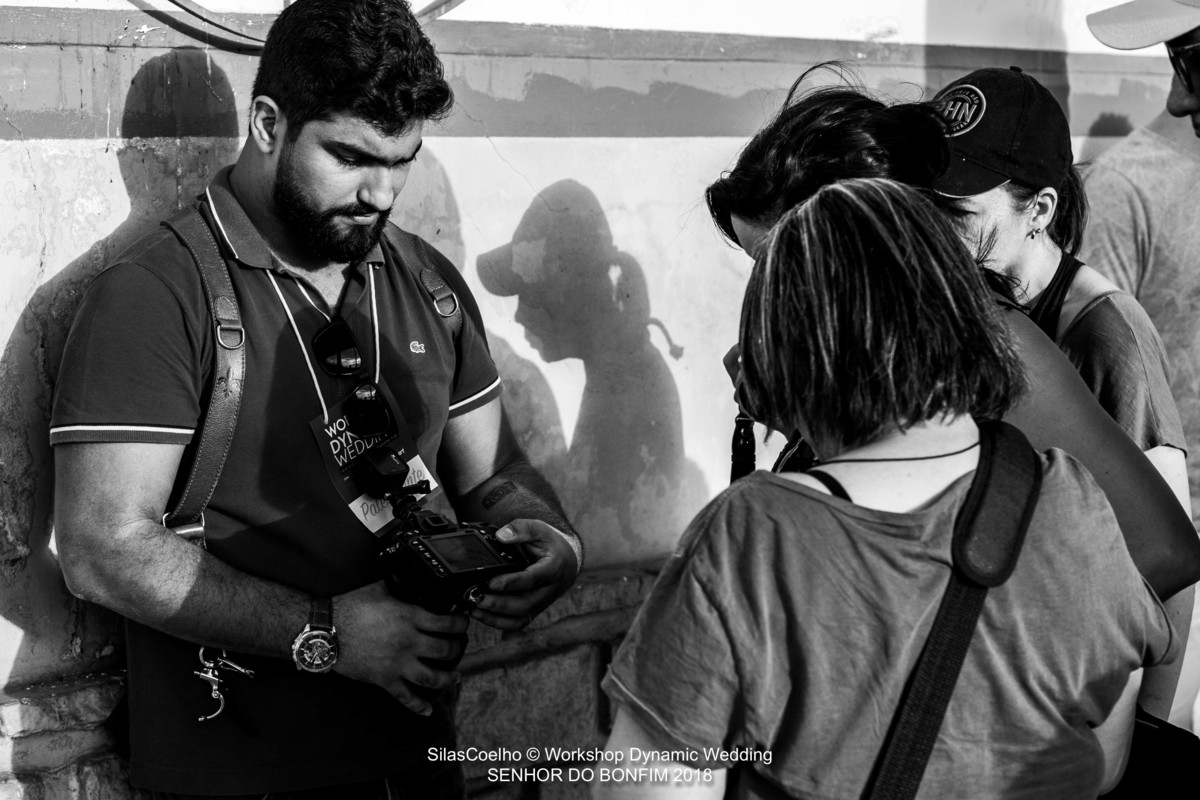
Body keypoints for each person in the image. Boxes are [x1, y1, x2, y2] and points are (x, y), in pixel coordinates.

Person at [50, 1, 582, 797]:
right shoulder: (153, 295)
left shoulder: (429, 282)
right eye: (351, 157)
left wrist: (552, 543)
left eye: (402, 161)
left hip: (420, 757)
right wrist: (327, 632)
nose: (381, 193)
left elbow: (494, 472)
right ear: (269, 124)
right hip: (240, 776)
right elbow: (101, 548)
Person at [597, 178, 1177, 799]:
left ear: (783, 349)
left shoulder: (752, 536)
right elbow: (1104, 759)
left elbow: (647, 789)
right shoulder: (1076, 504)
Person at [703, 73, 1200, 609]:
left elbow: (1162, 558)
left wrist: (998, 641)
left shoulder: (990, 341)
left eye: (779, 267)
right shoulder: (882, 348)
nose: (766, 300)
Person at [928, 66, 1193, 720]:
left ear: (1040, 211)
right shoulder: (965, 307)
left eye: (958, 212)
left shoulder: (1107, 335)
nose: (934, 233)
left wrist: (1150, 731)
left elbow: (1171, 567)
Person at [1086, 0, 1200, 729]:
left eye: (1193, 62)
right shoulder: (1123, 191)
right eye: (1175, 62)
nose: (1179, 97)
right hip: (1179, 553)